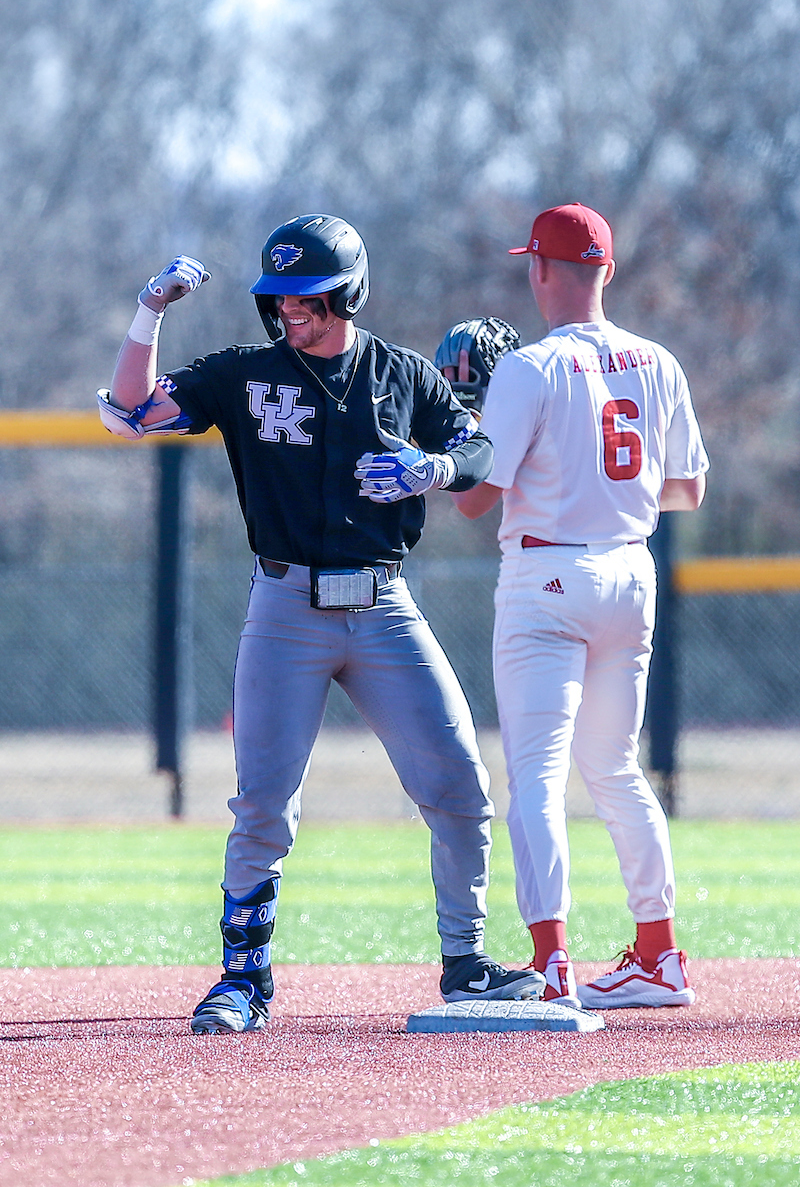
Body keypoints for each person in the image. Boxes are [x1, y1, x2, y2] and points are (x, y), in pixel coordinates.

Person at [99, 214, 544, 1034]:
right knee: (264, 805)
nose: (291, 310)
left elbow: (478, 450)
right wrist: (149, 311)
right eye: (281, 297)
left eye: (309, 297)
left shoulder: (401, 372)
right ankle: (243, 980)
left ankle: (467, 963)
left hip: (383, 605)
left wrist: (433, 467)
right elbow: (130, 410)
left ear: (349, 293)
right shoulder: (244, 371)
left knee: (460, 785)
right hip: (285, 606)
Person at [453, 202, 709, 1009]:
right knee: (614, 767)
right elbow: (689, 490)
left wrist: (464, 429)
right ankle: (659, 955)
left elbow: (474, 499)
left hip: (548, 576)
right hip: (630, 572)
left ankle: (552, 963)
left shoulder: (528, 368)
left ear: (538, 270)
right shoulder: (658, 360)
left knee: (536, 774)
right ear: (608, 271)